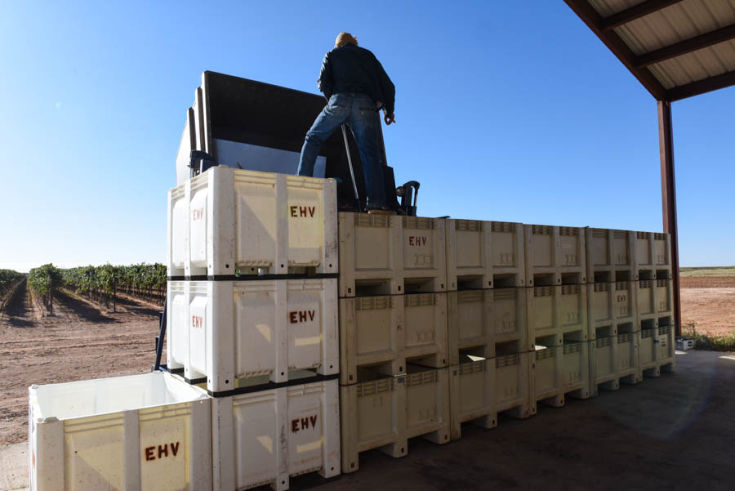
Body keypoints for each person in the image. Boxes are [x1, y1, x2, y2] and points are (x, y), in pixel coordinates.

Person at [297, 32, 396, 214]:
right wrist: (388, 111)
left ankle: (301, 187)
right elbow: (388, 84)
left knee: (313, 139)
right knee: (371, 155)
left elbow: (322, 82)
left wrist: (334, 101)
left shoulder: (332, 54)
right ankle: (376, 204)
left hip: (339, 100)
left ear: (338, 44)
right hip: (366, 105)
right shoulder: (368, 55)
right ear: (354, 43)